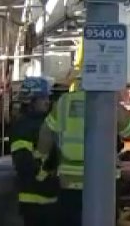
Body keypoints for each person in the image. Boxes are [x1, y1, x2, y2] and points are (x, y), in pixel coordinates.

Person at [10, 77, 58, 226]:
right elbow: (23, 163)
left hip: (50, 197)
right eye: (43, 98)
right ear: (30, 101)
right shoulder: (24, 128)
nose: (47, 101)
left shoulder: (47, 122)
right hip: (34, 200)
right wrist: (44, 175)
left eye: (47, 97)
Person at [37, 79, 86, 224]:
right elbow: (129, 130)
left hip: (68, 180)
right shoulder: (106, 101)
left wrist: (40, 159)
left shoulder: (64, 102)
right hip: (100, 181)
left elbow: (46, 132)